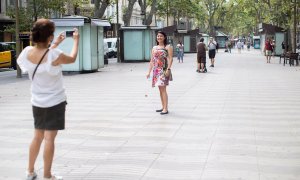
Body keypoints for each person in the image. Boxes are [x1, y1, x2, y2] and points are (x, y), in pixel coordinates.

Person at [17, 19, 79, 180]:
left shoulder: (27, 52)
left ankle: (30, 171)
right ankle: (47, 175)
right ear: (49, 36)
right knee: (49, 138)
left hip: (37, 101)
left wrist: (54, 43)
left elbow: (41, 57)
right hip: (55, 102)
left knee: (37, 136)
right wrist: (76, 41)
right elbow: (72, 58)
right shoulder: (54, 55)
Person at [146, 31, 173, 115]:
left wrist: (168, 69)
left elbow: (170, 59)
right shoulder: (154, 48)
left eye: (161, 36)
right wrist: (149, 72)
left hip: (163, 70)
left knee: (163, 89)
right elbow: (152, 61)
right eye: (158, 36)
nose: (159, 37)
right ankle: (163, 106)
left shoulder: (167, 47)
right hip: (156, 71)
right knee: (160, 90)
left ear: (164, 37)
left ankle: (165, 108)